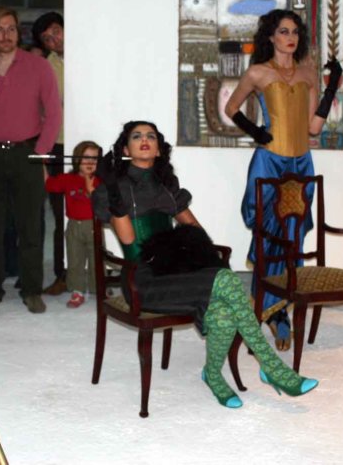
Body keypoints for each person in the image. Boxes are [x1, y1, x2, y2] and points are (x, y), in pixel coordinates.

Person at [92, 121, 318, 408]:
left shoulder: (166, 187)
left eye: (151, 136)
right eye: (136, 136)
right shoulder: (115, 188)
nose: (144, 140)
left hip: (173, 275)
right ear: (126, 149)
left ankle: (213, 375)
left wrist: (199, 261)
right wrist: (113, 187)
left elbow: (198, 235)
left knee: (223, 310)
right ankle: (272, 368)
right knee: (227, 281)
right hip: (141, 281)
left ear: (159, 149)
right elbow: (128, 240)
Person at [223, 9, 342, 351]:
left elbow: (313, 128)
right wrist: (255, 130)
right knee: (267, 235)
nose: (290, 37)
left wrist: (331, 86)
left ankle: (278, 313)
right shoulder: (258, 72)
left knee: (292, 236)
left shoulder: (307, 73)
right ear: (271, 36)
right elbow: (231, 108)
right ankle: (264, 310)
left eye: (295, 32)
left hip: (300, 165)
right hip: (269, 163)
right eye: (283, 31)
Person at [0, 6, 62, 314]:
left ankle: (31, 289)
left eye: (11, 29)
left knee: (31, 225)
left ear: (19, 33)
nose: (6, 35)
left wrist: (41, 154)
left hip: (27, 153)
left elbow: (53, 113)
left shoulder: (38, 66)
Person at [32, 12, 67, 296]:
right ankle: (61, 274)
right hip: (58, 145)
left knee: (96, 210)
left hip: (91, 143)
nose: (54, 39)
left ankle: (96, 272)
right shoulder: (45, 67)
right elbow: (40, 111)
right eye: (47, 38)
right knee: (60, 212)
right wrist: (42, 150)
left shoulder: (91, 55)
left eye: (56, 31)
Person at [44, 140, 100, 308]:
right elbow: (49, 184)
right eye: (86, 157)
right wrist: (41, 163)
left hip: (94, 226)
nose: (90, 162)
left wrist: (90, 185)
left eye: (95, 158)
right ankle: (77, 291)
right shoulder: (68, 179)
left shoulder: (100, 181)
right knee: (75, 259)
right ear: (77, 160)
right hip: (74, 226)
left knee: (96, 259)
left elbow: (100, 202)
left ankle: (99, 288)